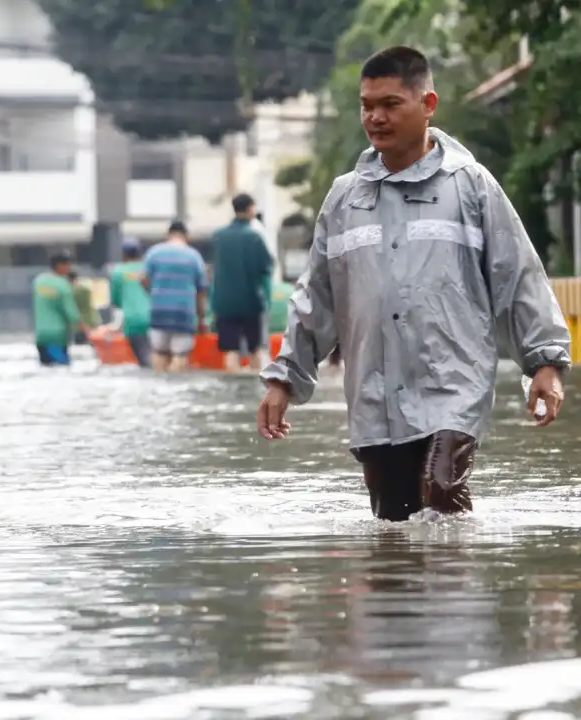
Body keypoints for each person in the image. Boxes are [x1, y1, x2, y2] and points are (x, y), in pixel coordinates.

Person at [256, 45, 571, 522]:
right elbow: (315, 297)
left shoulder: (471, 186)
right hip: (375, 394)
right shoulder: (345, 198)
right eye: (367, 106)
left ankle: (457, 588)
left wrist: (545, 361)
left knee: (442, 490)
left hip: (452, 383)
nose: (375, 117)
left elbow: (517, 273)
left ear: (427, 106)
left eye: (389, 104)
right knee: (392, 523)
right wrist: (285, 380)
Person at [211, 193, 275, 371]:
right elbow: (266, 268)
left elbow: (213, 271)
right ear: (250, 208)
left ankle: (230, 391)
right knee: (256, 349)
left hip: (224, 302)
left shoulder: (219, 236)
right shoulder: (254, 237)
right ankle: (256, 390)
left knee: (231, 350)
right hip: (251, 301)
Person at [143, 221, 208, 372]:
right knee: (180, 355)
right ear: (186, 236)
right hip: (183, 311)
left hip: (159, 310)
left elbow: (143, 279)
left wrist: (154, 293)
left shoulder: (154, 253)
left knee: (159, 352)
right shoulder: (194, 256)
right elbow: (201, 291)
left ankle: (159, 388)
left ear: (168, 235)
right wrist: (201, 319)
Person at [105, 238, 152, 367]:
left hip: (133, 320)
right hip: (156, 318)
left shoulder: (118, 272)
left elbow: (115, 301)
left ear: (124, 254)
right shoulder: (148, 269)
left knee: (144, 361)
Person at [32, 253, 80, 367]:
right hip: (57, 335)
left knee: (46, 369)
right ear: (59, 266)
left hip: (41, 334)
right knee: (62, 368)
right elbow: (72, 314)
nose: (69, 268)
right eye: (67, 265)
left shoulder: (38, 281)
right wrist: (87, 330)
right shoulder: (63, 285)